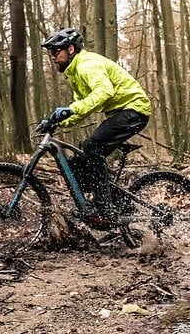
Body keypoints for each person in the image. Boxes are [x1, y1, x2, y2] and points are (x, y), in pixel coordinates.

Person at [42, 27, 151, 217]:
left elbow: (104, 92)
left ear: (70, 49)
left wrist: (71, 109)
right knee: (78, 163)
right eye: (50, 52)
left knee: (92, 146)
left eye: (55, 51)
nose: (52, 56)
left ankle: (104, 207)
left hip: (135, 109)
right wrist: (58, 122)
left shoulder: (87, 65)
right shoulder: (75, 73)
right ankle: (118, 202)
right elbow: (82, 107)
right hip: (122, 112)